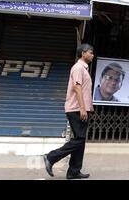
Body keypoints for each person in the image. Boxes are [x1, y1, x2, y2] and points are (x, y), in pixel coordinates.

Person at [43, 44, 94, 179]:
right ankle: (51, 157)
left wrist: (88, 107)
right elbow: (77, 88)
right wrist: (83, 108)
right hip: (76, 109)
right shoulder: (78, 68)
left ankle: (73, 171)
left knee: (80, 140)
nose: (92, 55)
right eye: (90, 52)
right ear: (83, 53)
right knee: (79, 139)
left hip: (82, 109)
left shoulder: (84, 68)